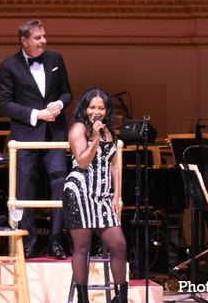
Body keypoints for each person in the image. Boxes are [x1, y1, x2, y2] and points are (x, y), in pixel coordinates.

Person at [0, 19, 73, 260]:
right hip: (25, 134)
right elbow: (4, 103)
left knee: (60, 181)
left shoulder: (56, 59)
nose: (43, 41)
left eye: (44, 36)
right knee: (25, 186)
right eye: (38, 38)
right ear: (24, 41)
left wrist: (60, 104)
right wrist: (36, 114)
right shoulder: (8, 66)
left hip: (55, 134)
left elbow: (67, 92)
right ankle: (29, 240)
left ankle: (55, 240)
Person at [64, 88, 128, 303]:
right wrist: (96, 139)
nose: (96, 111)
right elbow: (82, 161)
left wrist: (116, 195)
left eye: (101, 107)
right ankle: (83, 298)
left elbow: (114, 166)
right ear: (85, 108)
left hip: (102, 196)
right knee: (82, 247)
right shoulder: (79, 128)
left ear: (107, 109)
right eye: (92, 107)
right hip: (80, 193)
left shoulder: (109, 130)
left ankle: (120, 298)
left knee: (119, 244)